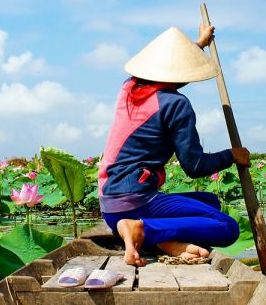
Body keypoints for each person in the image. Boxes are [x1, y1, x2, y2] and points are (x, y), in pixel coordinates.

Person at [97, 23, 250, 266]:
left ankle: (160, 238)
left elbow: (170, 72)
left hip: (110, 207)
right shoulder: (176, 104)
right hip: (136, 203)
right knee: (227, 226)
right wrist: (232, 155)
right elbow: (195, 165)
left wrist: (198, 45)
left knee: (209, 201)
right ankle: (144, 230)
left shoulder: (128, 88)